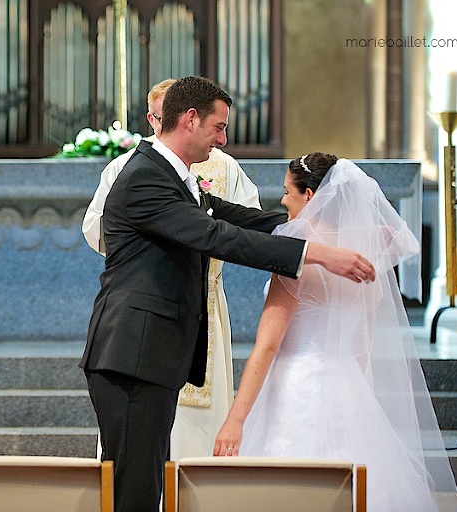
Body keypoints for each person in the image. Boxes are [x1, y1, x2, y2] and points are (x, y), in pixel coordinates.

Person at [80, 76, 376, 512]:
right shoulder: (143, 177)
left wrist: (319, 224)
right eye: (218, 128)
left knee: (146, 483)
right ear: (190, 119)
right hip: (131, 354)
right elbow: (217, 236)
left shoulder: (175, 175)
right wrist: (315, 254)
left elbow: (239, 218)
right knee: (135, 490)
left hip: (148, 355)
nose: (222, 140)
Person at [213, 153, 457, 512]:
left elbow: (267, 346)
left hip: (295, 384)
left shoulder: (297, 250)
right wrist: (351, 395)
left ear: (310, 195)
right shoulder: (361, 255)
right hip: (347, 386)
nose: (283, 200)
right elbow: (363, 344)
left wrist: (235, 420)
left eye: (288, 192)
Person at [82, 78, 261, 462]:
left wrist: (304, 238)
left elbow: (242, 221)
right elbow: (99, 228)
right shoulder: (133, 170)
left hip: (199, 304)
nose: (222, 139)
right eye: (163, 116)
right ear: (155, 118)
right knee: (138, 460)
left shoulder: (222, 169)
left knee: (166, 443)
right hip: (149, 315)